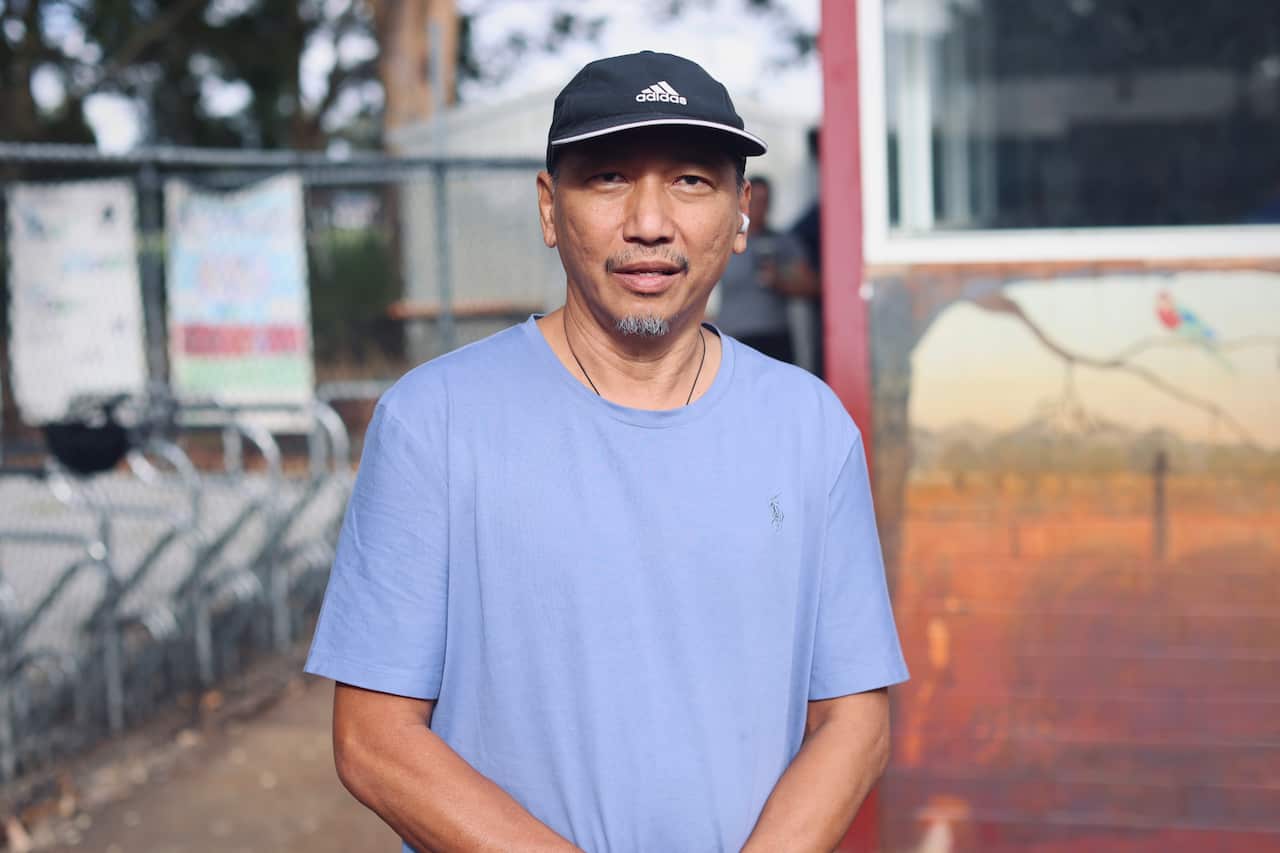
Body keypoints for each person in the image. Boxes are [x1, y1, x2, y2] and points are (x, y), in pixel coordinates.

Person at [305, 50, 908, 853]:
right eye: (610, 178)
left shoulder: (809, 426)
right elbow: (374, 740)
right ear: (551, 210)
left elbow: (855, 718)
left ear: (741, 216)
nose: (650, 222)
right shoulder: (434, 422)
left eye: (692, 180)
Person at [714, 174, 820, 364]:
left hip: (774, 337)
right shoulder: (722, 243)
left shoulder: (783, 244)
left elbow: (814, 286)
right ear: (743, 200)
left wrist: (780, 281)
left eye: (765, 201)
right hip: (732, 337)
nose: (760, 207)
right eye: (756, 201)